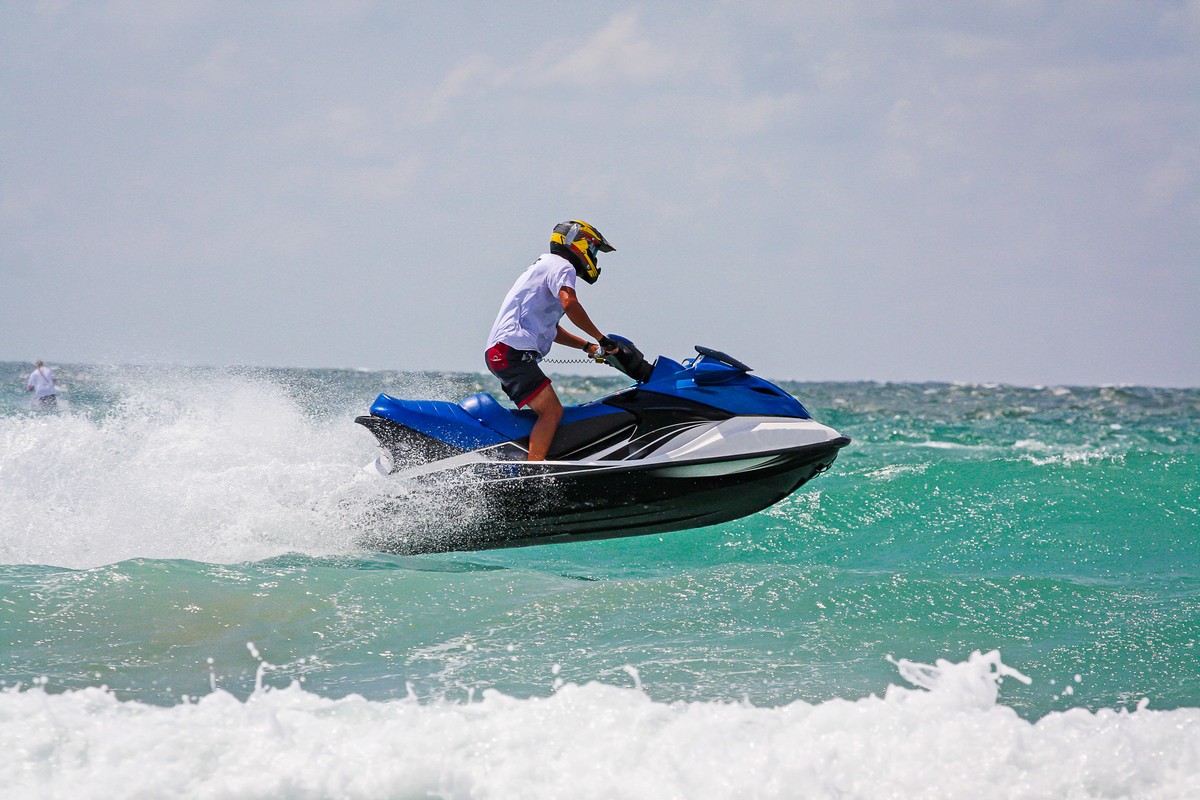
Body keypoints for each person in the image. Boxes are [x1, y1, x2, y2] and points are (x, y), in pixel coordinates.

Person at [485, 220, 618, 461]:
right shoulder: (562, 266)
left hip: (505, 351)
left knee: (546, 410)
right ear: (578, 243)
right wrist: (602, 339)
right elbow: (570, 303)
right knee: (552, 411)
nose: (594, 256)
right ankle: (533, 472)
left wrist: (588, 346)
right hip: (510, 351)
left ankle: (530, 457)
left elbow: (551, 329)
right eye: (593, 248)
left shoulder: (546, 265)